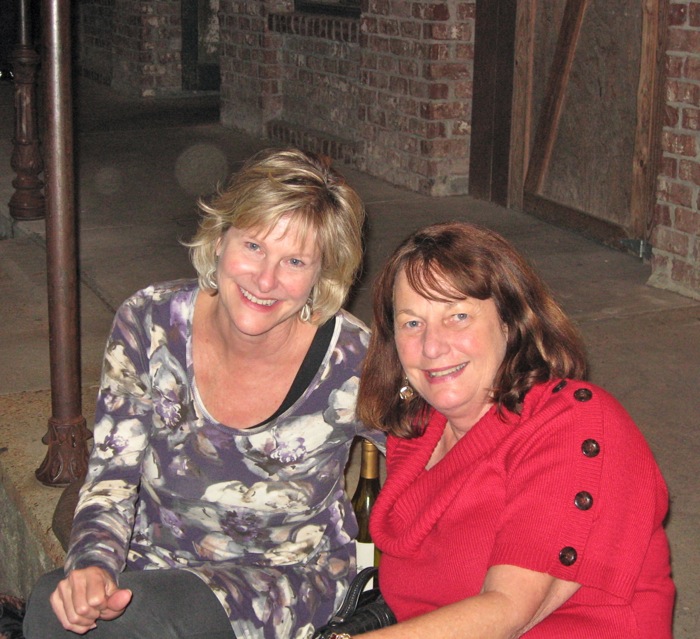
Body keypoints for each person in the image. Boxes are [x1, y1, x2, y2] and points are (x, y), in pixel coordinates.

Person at [24, 148, 384, 639]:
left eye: (295, 260)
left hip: (281, 579)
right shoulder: (150, 323)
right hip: (152, 562)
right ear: (218, 240)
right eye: (253, 246)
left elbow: (433, 450)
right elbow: (112, 475)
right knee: (53, 607)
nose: (265, 279)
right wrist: (91, 565)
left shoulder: (351, 360)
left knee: (149, 622)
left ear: (322, 276)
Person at [353, 222, 675, 639]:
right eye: (412, 323)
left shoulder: (579, 426)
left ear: (510, 322)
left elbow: (508, 610)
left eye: (459, 316)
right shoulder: (415, 432)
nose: (432, 346)